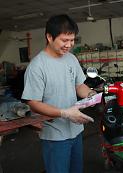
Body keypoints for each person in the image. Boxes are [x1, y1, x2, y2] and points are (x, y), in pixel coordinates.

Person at [22, 14, 96, 173]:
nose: (69, 45)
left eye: (72, 40)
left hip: (76, 131)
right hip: (54, 136)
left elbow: (79, 86)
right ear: (49, 37)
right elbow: (33, 103)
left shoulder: (71, 59)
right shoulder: (37, 66)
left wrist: (92, 95)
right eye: (64, 40)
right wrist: (64, 113)